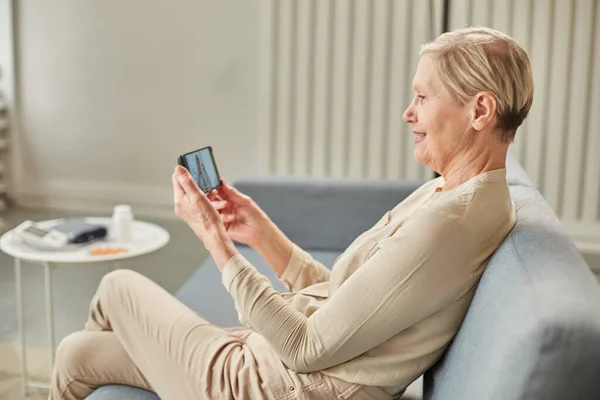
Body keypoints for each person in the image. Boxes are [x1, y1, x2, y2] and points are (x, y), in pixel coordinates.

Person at [49, 26, 533, 400]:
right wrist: (261, 235)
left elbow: (306, 348)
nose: (409, 113)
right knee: (76, 354)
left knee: (117, 287)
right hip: (273, 364)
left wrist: (215, 241)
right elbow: (344, 306)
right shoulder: (454, 195)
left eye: (423, 97)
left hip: (274, 386)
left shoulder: (450, 223)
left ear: (480, 111)